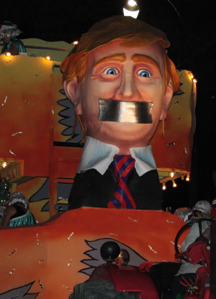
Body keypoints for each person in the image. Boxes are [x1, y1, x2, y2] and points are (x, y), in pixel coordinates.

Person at [60, 16, 180, 210]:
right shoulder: (86, 180)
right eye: (110, 72)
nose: (127, 92)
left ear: (165, 99)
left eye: (144, 74)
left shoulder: (150, 184)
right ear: (76, 93)